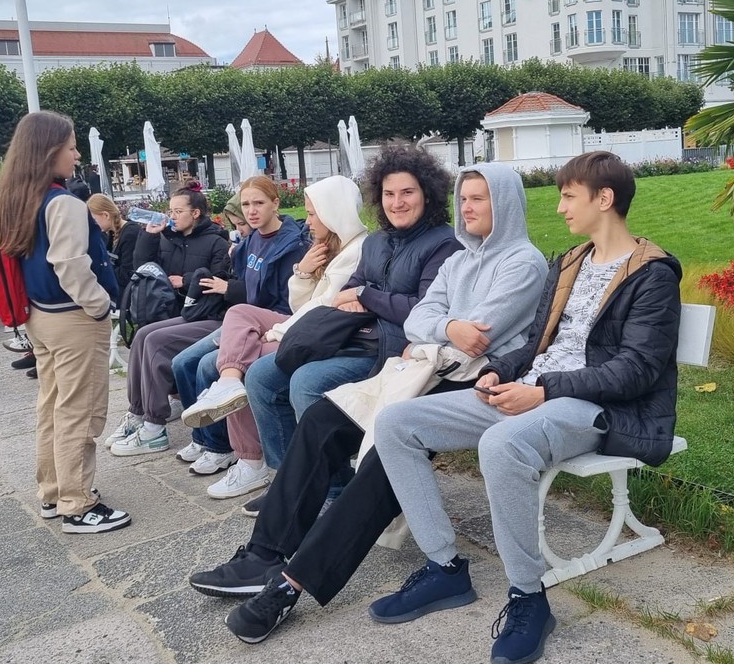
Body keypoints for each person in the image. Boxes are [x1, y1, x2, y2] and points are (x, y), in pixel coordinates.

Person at [188, 163, 550, 646]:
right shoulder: (462, 258)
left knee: (387, 452)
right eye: (465, 198)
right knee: (322, 419)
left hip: (472, 381)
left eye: (479, 199)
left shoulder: (522, 262)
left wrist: (435, 327)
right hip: (422, 369)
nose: (468, 208)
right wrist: (445, 326)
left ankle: (292, 584)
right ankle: (263, 554)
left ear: (504, 202)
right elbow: (423, 317)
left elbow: (479, 335)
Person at [371, 151, 681, 664]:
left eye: (569, 196)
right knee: (397, 422)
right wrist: (500, 370)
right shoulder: (571, 262)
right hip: (534, 390)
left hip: (593, 406)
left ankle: (528, 597)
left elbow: (637, 371)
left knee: (502, 443)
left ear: (604, 199)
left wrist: (543, 391)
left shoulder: (652, 274)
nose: (559, 207)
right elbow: (538, 341)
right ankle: (444, 568)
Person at [240, 145, 461, 499]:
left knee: (306, 383)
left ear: (427, 194)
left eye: (407, 192)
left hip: (392, 347)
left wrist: (367, 297)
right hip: (352, 334)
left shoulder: (444, 244)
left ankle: (334, 488)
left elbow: (422, 310)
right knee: (261, 377)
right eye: (389, 194)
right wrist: (364, 296)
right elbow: (349, 289)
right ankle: (287, 485)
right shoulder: (377, 241)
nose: (397, 203)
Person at [181, 175, 368, 499]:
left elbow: (321, 309)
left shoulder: (354, 251)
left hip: (320, 332)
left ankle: (257, 464)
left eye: (313, 214)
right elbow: (299, 303)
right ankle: (229, 391)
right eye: (246, 204)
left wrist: (277, 329)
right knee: (236, 325)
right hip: (300, 323)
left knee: (241, 366)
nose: (307, 221)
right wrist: (304, 272)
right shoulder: (323, 246)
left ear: (333, 213)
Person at [0, 110, 129, 534]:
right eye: (71, 146)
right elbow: (71, 265)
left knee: (53, 407)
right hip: (72, 318)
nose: (76, 154)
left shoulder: (18, 199)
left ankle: (53, 492)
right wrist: (100, 306)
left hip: (39, 316)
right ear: (49, 150)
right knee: (80, 411)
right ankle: (77, 503)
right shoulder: (63, 202)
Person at [110, 177, 309, 462]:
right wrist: (152, 236)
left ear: (275, 203)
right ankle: (187, 432)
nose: (251, 211)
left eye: (258, 203)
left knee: (203, 363)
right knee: (171, 353)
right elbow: (143, 266)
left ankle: (219, 446)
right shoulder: (246, 241)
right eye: (246, 205)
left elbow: (270, 295)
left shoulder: (286, 244)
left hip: (243, 317)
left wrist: (209, 285)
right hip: (218, 313)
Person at [104, 188, 231, 449]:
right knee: (142, 335)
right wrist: (150, 236)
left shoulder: (216, 241)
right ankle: (137, 412)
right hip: (174, 311)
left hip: (207, 313)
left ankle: (154, 427)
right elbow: (141, 267)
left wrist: (185, 280)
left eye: (178, 211)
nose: (172, 216)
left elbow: (219, 280)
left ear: (195, 213)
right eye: (170, 210)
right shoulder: (165, 238)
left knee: (155, 342)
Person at [87, 194, 141, 305]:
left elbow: (127, 273)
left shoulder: (130, 233)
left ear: (106, 215)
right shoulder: (113, 233)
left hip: (129, 296)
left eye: (94, 220)